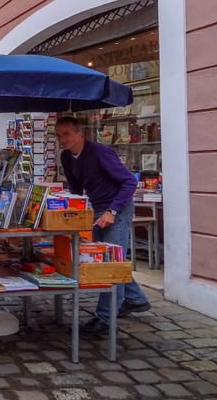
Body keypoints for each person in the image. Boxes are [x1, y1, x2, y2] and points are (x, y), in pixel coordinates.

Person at [55, 116, 152, 336]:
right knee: (107, 261)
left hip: (117, 208)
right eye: (58, 135)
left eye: (66, 134)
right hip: (97, 208)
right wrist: (67, 208)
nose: (62, 139)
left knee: (108, 266)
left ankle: (104, 319)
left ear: (81, 134)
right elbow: (76, 189)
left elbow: (129, 181)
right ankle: (136, 300)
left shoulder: (100, 152)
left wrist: (112, 211)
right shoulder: (67, 157)